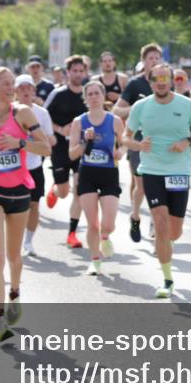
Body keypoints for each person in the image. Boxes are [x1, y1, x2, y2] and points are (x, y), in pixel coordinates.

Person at [0, 67, 51, 341]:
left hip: (19, 191)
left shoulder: (23, 114)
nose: (10, 88)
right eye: (5, 84)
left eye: (12, 84)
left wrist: (20, 143)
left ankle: (15, 290)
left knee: (14, 257)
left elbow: (47, 148)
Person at [123, 63, 191, 297]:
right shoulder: (141, 107)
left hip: (179, 171)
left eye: (165, 78)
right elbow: (125, 137)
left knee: (175, 231)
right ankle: (167, 279)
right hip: (151, 170)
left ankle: (166, 245)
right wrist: (138, 145)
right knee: (160, 222)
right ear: (149, 82)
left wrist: (188, 142)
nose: (161, 82)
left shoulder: (186, 104)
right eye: (156, 78)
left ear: (171, 81)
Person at [69, 81, 125, 276]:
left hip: (109, 173)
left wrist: (120, 152)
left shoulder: (115, 121)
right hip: (88, 174)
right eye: (89, 94)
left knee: (108, 223)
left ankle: (105, 236)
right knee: (92, 223)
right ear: (85, 98)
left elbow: (124, 144)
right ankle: (94, 260)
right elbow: (72, 154)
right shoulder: (79, 122)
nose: (93, 97)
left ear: (103, 96)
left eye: (96, 93)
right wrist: (85, 141)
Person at [114, 43, 164, 243]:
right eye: (150, 58)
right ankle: (135, 216)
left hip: (161, 143)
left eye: (157, 58)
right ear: (143, 61)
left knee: (158, 185)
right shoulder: (135, 84)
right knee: (141, 186)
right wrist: (135, 108)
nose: (154, 62)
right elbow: (117, 111)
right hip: (139, 142)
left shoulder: (164, 83)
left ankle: (154, 221)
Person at [44, 55, 89, 248]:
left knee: (79, 190)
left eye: (81, 71)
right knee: (64, 193)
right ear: (68, 72)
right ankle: (55, 190)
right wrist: (60, 129)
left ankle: (72, 233)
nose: (78, 74)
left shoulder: (88, 94)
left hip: (81, 149)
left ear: (85, 73)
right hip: (61, 148)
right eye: (74, 71)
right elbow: (44, 118)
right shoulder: (59, 94)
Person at [14, 75, 56, 256]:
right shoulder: (9, 112)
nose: (25, 91)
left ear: (33, 91)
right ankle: (14, 239)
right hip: (14, 167)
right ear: (15, 92)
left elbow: (51, 138)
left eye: (28, 88)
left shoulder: (42, 113)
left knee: (34, 205)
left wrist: (44, 140)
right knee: (15, 208)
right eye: (21, 88)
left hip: (34, 166)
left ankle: (28, 242)